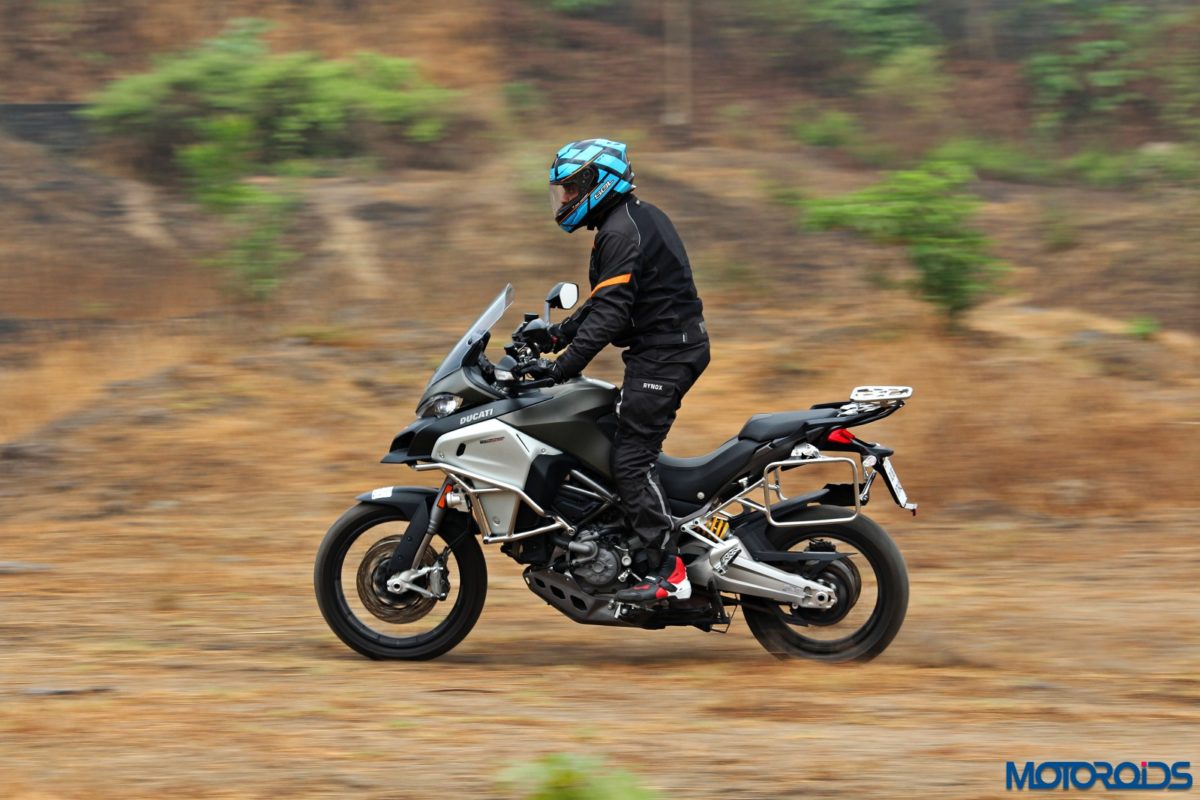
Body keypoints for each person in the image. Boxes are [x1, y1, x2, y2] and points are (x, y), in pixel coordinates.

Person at [526, 138, 710, 605]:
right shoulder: (625, 221)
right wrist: (555, 336)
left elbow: (609, 317)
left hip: (665, 356)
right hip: (663, 351)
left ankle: (670, 571)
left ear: (597, 182)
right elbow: (608, 303)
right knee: (614, 444)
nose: (564, 199)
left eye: (570, 189)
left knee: (630, 461)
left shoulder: (620, 231)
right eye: (562, 191)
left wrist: (561, 369)